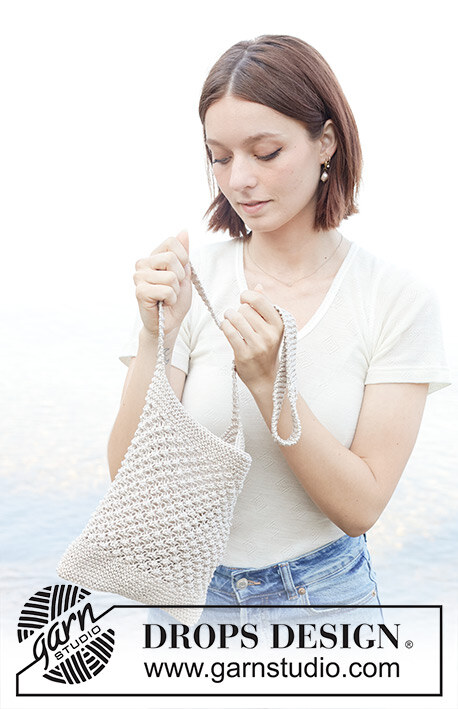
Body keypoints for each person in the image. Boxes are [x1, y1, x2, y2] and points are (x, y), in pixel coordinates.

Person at [108, 35, 450, 633]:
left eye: (266, 152)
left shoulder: (394, 299)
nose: (239, 179)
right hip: (189, 598)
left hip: (324, 602)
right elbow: (129, 480)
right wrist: (154, 336)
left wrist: (272, 387)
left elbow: (360, 508)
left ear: (326, 141)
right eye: (219, 157)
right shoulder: (195, 280)